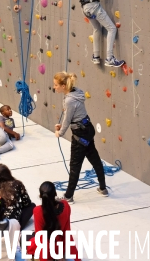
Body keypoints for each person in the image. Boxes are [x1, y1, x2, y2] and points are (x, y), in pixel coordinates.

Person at [54, 71, 108, 203]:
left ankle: (68, 196)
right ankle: (103, 188)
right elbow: (73, 116)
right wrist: (62, 125)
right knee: (94, 159)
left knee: (75, 165)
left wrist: (59, 133)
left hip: (80, 134)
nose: (54, 87)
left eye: (56, 85)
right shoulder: (76, 92)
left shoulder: (69, 100)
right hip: (87, 128)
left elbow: (67, 120)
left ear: (63, 86)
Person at [27, 181, 79, 261]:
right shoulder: (65, 205)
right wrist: (77, 259)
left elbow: (41, 239)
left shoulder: (38, 211)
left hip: (47, 251)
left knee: (25, 238)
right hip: (60, 248)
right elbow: (67, 233)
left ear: (40, 196)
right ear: (55, 193)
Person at [0, 164, 34, 228]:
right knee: (32, 205)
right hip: (14, 224)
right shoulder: (17, 184)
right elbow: (27, 203)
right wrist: (17, 204)